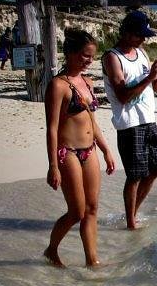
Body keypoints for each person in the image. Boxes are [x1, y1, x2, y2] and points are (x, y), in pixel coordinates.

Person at [44, 28, 116, 267]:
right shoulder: (58, 86)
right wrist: (53, 165)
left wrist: (105, 149)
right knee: (77, 212)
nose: (89, 61)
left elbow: (91, 121)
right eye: (85, 55)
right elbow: (52, 128)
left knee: (93, 208)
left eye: (92, 56)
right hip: (68, 153)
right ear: (71, 53)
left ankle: (91, 260)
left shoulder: (88, 82)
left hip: (89, 150)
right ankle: (52, 250)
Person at [102, 10, 157, 230]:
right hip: (129, 123)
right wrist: (149, 77)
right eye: (139, 35)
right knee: (135, 175)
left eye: (145, 36)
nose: (143, 39)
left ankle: (132, 213)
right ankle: (130, 222)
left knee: (156, 168)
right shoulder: (112, 57)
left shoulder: (141, 52)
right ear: (126, 32)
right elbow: (122, 96)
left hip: (148, 120)